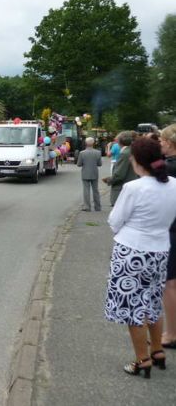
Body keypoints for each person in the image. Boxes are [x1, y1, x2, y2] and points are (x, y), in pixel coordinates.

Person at [104, 137, 176, 378]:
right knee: (152, 303)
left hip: (132, 252)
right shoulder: (174, 185)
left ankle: (141, 359)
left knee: (132, 308)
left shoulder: (133, 188)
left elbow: (114, 221)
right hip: (160, 250)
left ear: (138, 162)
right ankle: (157, 351)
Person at [159, 124, 176, 348]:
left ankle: (171, 334)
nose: (159, 144)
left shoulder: (169, 168)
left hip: (172, 229)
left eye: (161, 141)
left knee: (170, 284)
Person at [103, 131, 137, 206]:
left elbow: (119, 175)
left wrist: (109, 180)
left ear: (120, 141)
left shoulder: (124, 154)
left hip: (122, 188)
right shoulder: (131, 150)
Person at [76, 137, 102, 211]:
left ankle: (87, 206)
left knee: (86, 190)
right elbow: (99, 164)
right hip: (94, 172)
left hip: (85, 173)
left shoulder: (82, 153)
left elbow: (79, 164)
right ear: (93, 143)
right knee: (96, 190)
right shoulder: (98, 152)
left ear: (86, 143)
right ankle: (98, 207)